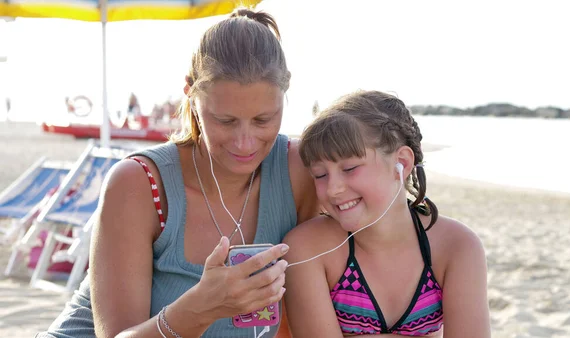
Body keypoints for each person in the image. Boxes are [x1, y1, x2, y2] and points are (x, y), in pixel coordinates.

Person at [37, 8, 319, 338]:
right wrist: (201, 308)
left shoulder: (299, 170)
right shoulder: (138, 183)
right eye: (225, 121)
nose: (246, 143)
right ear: (191, 94)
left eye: (263, 120)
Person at [282, 90, 491, 337]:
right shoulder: (305, 249)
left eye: (349, 168)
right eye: (320, 174)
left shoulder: (458, 246)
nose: (333, 189)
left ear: (400, 162)